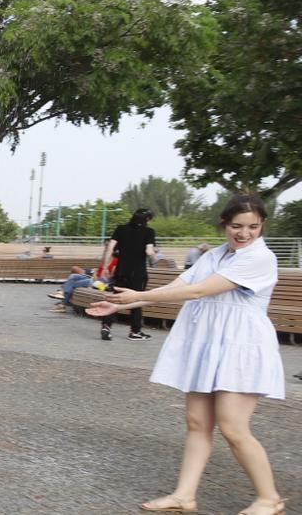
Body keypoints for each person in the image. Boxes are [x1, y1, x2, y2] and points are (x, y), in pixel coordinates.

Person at [90, 195, 286, 515]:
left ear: (262, 226)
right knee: (197, 421)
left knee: (233, 426)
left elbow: (197, 292)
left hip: (241, 346)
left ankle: (269, 498)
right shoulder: (216, 255)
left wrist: (138, 294)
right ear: (224, 224)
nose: (245, 233)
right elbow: (180, 285)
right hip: (208, 343)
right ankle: (184, 495)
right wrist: (121, 305)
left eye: (253, 226)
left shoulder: (259, 258)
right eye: (237, 226)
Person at [98, 208, 156, 341]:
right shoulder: (148, 232)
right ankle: (135, 331)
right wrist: (154, 259)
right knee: (137, 300)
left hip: (121, 271)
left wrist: (106, 267)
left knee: (116, 298)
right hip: (138, 273)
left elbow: (110, 248)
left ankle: (106, 326)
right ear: (147, 219)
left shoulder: (120, 229)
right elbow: (149, 251)